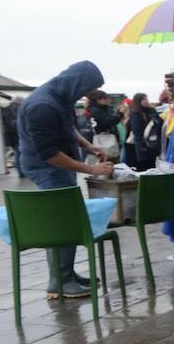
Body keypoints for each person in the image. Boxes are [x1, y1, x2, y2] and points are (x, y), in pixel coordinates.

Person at [18, 61, 116, 299]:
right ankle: (60, 281)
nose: (87, 95)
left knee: (65, 218)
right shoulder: (42, 105)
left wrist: (88, 146)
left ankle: (66, 274)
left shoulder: (59, 98)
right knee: (62, 221)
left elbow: (68, 128)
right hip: (46, 167)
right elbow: (49, 154)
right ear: (77, 81)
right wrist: (90, 170)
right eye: (87, 88)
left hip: (55, 164)